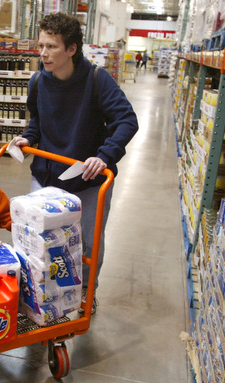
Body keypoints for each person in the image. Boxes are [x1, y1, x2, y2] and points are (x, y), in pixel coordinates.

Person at [10, 12, 139, 311]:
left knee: (89, 244)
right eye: (41, 45)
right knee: (37, 239)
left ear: (71, 49)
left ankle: (85, 292)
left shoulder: (97, 79)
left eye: (52, 46)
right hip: (46, 175)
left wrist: (104, 155)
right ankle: (38, 291)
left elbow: (126, 120)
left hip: (87, 180)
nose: (43, 53)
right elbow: (37, 122)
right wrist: (28, 139)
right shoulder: (38, 81)